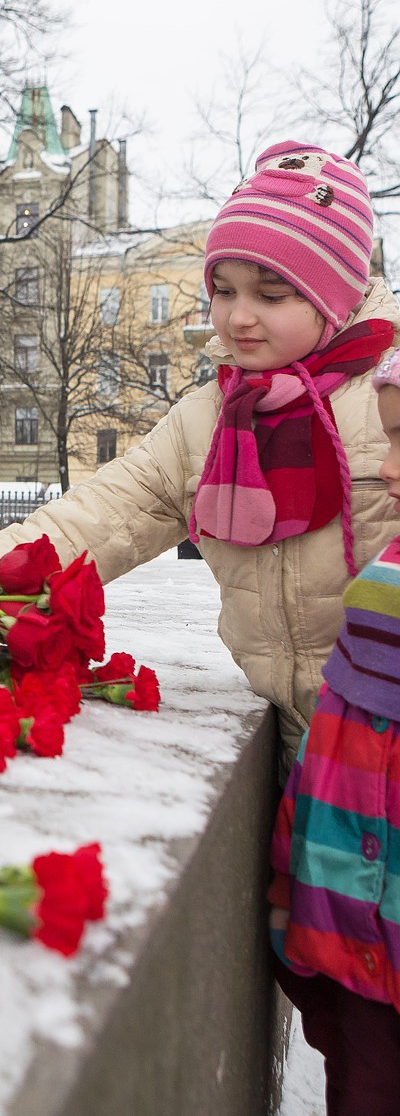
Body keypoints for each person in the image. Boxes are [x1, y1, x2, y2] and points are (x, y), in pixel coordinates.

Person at [0, 140, 400, 766]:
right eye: (223, 290)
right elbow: (100, 516)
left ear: (333, 295)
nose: (239, 318)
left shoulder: (386, 400)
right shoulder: (212, 419)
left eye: (271, 294)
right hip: (303, 752)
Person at [266, 346, 400, 1114]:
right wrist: (293, 885)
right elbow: (333, 749)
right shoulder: (379, 588)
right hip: (350, 956)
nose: (386, 467)